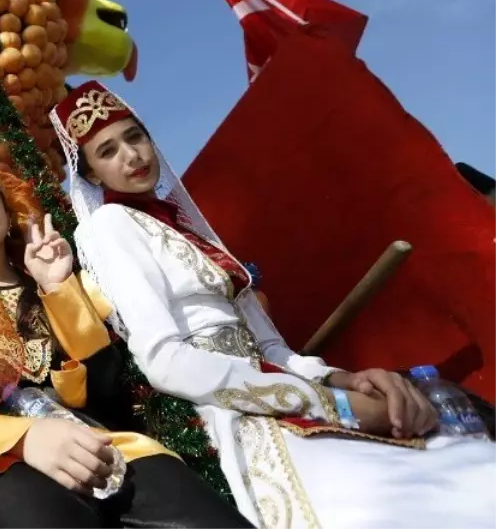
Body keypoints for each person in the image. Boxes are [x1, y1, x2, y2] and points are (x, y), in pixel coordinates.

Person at [52, 80, 496, 528]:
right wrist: (324, 403)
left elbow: (275, 352)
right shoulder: (108, 226)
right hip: (227, 416)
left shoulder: (185, 224)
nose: (131, 155)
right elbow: (163, 361)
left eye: (135, 136)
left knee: (471, 463)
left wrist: (347, 381)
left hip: (289, 397)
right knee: (395, 499)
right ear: (89, 175)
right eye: (107, 151)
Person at [0, 161, 252, 528]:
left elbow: (103, 387)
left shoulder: (47, 282)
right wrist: (25, 438)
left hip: (102, 443)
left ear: (6, 207)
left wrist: (57, 288)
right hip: (6, 462)